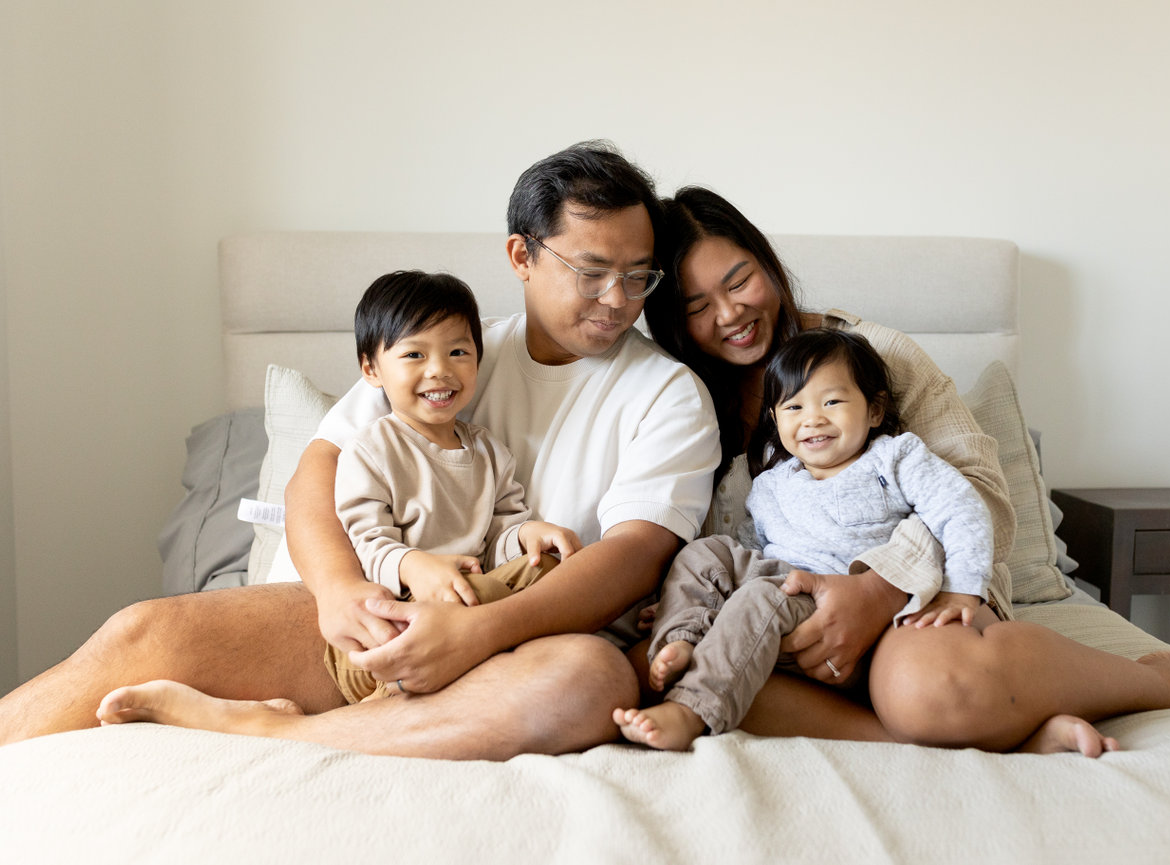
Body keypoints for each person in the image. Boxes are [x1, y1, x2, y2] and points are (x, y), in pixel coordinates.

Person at [0, 142, 722, 759]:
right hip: (376, 613)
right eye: (592, 271)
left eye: (638, 276)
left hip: (525, 639)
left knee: (591, 681)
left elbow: (635, 555)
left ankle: (273, 732)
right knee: (142, 630)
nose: (618, 298)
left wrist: (476, 632)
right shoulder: (443, 347)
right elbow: (319, 471)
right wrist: (342, 590)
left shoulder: (670, 393)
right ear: (521, 255)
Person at [633, 185, 1170, 757]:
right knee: (682, 673)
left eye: (739, 279)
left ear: (768, 264)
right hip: (779, 610)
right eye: (696, 305)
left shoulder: (877, 359)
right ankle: (1002, 738)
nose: (729, 313)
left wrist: (879, 588)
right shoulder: (676, 395)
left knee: (931, 690)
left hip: (917, 602)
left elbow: (980, 494)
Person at [615, 327, 996, 750]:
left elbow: (961, 510)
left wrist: (963, 588)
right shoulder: (771, 484)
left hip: (842, 603)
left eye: (832, 401)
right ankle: (681, 638)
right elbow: (748, 551)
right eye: (793, 406)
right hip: (783, 584)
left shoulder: (894, 458)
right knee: (708, 552)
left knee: (760, 596)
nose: (813, 418)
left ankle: (692, 710)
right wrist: (690, 597)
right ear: (775, 420)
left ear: (874, 409)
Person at [323, 269, 583, 702]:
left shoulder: (488, 451)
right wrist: (414, 565)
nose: (440, 371)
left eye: (458, 351)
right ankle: (386, 698)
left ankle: (471, 670)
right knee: (446, 614)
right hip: (391, 620)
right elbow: (365, 542)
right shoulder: (370, 448)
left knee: (553, 571)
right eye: (414, 356)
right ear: (371, 368)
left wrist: (525, 535)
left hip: (473, 601)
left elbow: (498, 537)